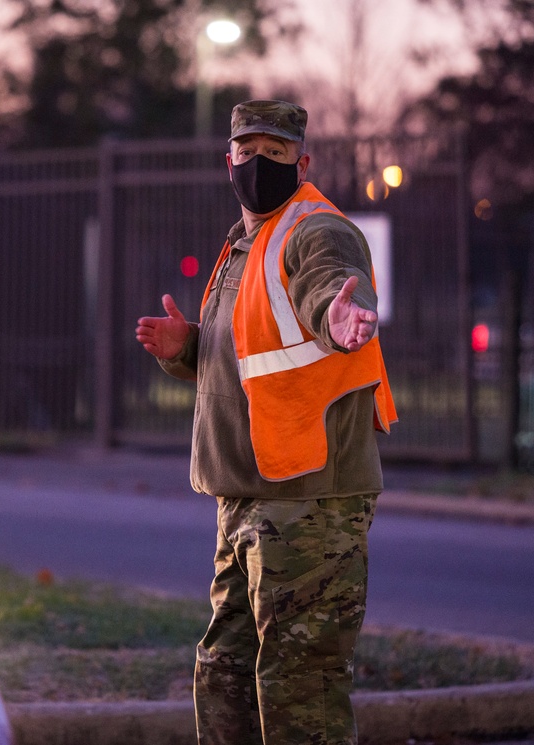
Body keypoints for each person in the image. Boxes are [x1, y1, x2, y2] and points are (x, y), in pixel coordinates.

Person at [135, 100, 397, 745]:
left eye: (275, 154)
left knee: (299, 685)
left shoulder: (314, 229)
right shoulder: (243, 242)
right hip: (247, 493)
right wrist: (189, 349)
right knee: (225, 672)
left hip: (310, 500)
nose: (259, 164)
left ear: (302, 161)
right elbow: (256, 354)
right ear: (228, 160)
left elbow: (334, 284)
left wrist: (340, 318)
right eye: (248, 151)